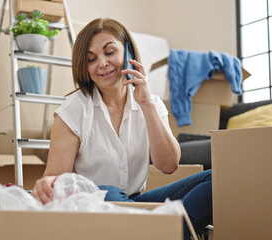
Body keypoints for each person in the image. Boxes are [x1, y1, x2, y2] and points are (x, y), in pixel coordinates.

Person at [32, 17, 212, 239]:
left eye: (110, 52)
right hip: (95, 207)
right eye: (91, 59)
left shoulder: (151, 102)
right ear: (84, 66)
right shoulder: (73, 110)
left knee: (217, 179)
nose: (102, 64)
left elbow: (169, 164)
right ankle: (159, 232)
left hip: (136, 203)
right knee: (109, 193)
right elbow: (55, 178)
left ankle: (163, 234)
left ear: (128, 53)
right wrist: (47, 183)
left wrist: (146, 104)